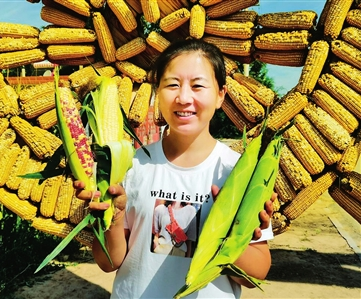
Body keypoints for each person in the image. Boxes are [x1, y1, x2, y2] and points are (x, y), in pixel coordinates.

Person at [74, 38, 276, 299]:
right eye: (172, 85)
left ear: (220, 96)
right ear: (158, 93)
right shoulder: (132, 166)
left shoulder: (238, 173)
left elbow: (256, 273)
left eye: (198, 86)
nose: (183, 98)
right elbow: (109, 262)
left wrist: (227, 232)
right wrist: (115, 217)